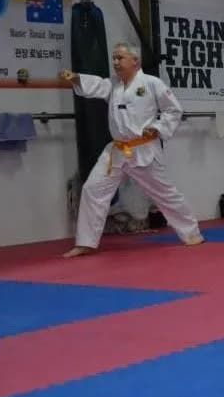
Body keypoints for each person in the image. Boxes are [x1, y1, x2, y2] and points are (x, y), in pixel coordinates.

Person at [59, 42, 204, 257]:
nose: (116, 62)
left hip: (143, 149)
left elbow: (173, 110)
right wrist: (76, 78)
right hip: (116, 151)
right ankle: (86, 243)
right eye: (114, 58)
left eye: (120, 58)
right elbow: (96, 85)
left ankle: (191, 233)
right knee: (92, 190)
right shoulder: (113, 85)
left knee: (165, 194)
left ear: (135, 61)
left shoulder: (152, 83)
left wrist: (157, 128)